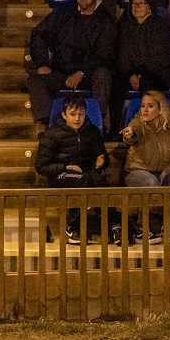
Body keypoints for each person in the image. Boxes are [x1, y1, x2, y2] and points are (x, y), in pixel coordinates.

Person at [27, 0, 115, 125]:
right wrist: (42, 63)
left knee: (103, 74)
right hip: (62, 73)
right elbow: (39, 34)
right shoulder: (64, 13)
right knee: (35, 80)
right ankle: (51, 125)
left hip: (89, 76)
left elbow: (105, 54)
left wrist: (81, 72)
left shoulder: (106, 20)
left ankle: (96, 124)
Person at [118, 90, 170, 244]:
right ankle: (142, 230)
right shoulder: (138, 124)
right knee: (151, 183)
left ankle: (166, 229)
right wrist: (129, 134)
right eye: (143, 106)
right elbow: (133, 131)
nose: (145, 109)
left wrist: (169, 170)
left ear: (160, 108)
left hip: (164, 171)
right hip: (138, 172)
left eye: (150, 106)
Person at [35, 96, 108, 244]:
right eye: (73, 114)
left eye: (81, 114)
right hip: (60, 175)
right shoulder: (52, 134)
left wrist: (102, 160)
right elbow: (41, 166)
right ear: (64, 115)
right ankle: (73, 226)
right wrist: (66, 167)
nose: (77, 118)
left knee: (99, 180)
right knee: (84, 179)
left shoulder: (91, 131)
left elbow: (102, 157)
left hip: (85, 173)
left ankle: (113, 225)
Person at [113, 0, 170, 132]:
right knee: (116, 83)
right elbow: (121, 55)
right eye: (134, 4)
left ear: (150, 7)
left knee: (149, 83)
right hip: (131, 73)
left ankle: (149, 128)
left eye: (141, 3)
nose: (137, 6)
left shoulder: (161, 26)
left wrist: (141, 74)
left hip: (159, 73)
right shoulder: (125, 27)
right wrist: (131, 74)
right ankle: (116, 129)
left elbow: (163, 57)